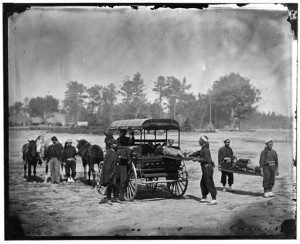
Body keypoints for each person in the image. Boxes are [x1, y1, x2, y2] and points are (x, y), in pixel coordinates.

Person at [190, 135, 217, 205]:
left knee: (209, 182)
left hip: (207, 168)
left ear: (203, 141)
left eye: (200, 140)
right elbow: (198, 153)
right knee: (203, 183)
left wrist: (197, 159)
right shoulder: (203, 149)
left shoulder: (206, 150)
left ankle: (214, 199)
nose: (199, 141)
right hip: (205, 168)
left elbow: (207, 160)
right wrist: (190, 155)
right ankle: (204, 197)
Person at [99, 139, 121, 204]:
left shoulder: (115, 152)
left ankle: (116, 197)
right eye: (114, 144)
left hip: (116, 170)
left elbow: (118, 161)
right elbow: (107, 164)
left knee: (117, 184)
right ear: (111, 145)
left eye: (116, 144)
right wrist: (109, 173)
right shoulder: (109, 153)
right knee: (110, 185)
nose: (116, 145)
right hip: (111, 171)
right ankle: (108, 199)